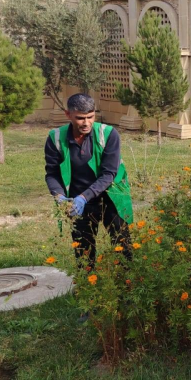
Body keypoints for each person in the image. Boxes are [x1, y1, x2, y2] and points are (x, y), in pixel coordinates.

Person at [44, 93, 134, 270]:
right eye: (80, 118)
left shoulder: (108, 134)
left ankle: (128, 285)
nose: (86, 123)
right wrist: (60, 196)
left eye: (90, 117)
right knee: (83, 250)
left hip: (111, 196)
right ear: (68, 114)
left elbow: (109, 174)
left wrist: (84, 197)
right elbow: (51, 173)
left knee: (122, 245)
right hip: (77, 200)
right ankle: (88, 288)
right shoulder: (55, 138)